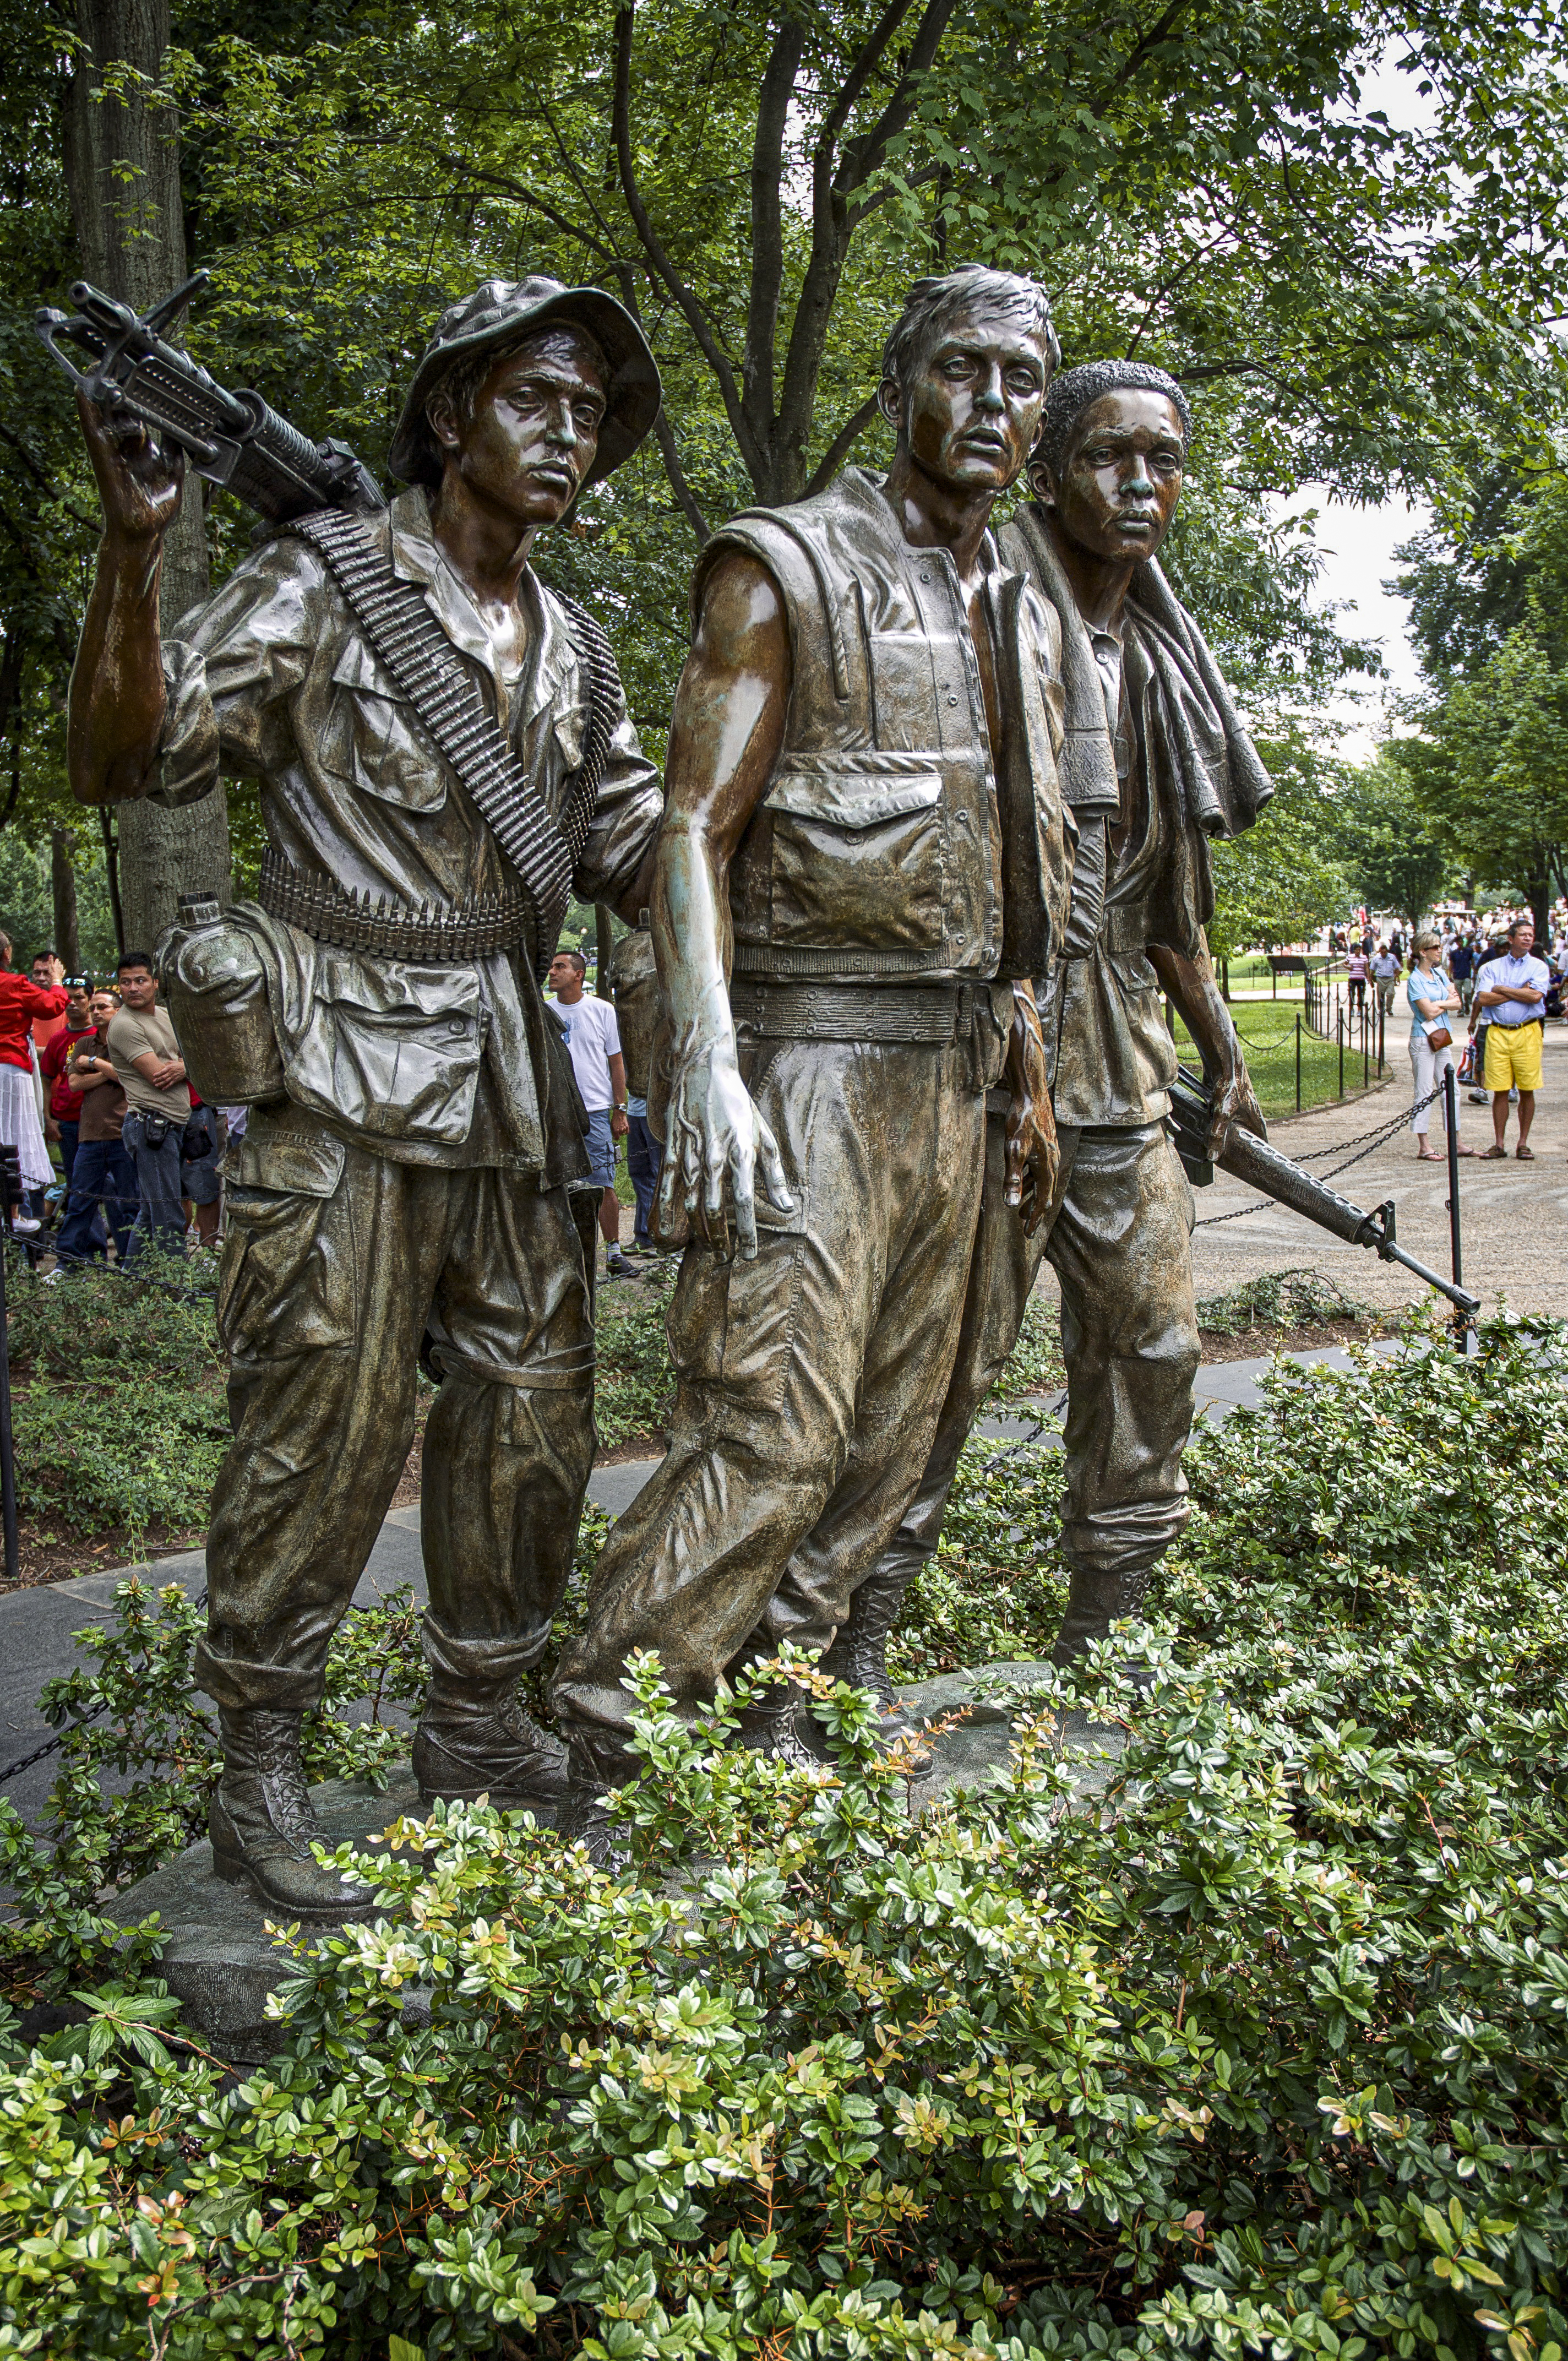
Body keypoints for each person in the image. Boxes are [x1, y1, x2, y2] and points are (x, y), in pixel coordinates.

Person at [68, 269, 663, 1912]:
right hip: (334, 1062)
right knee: (319, 1422)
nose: (568, 434)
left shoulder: (579, 644)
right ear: (450, 413)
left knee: (533, 1421)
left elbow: (632, 844)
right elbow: (132, 754)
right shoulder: (322, 581)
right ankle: (260, 1761)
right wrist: (136, 549)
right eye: (535, 398)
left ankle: (479, 1720)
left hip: (513, 1083)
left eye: (591, 413)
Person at [555, 263, 1069, 1831]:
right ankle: (613, 1741)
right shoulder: (785, 565)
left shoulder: (1022, 603)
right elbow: (692, 834)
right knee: (775, 1424)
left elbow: (1026, 870)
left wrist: (1030, 1058)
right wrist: (703, 1062)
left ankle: (785, 1713)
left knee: (907, 1432)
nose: (995, 405)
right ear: (903, 378)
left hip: (967, 1070)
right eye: (965, 369)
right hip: (813, 1059)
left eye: (1023, 380)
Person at [831, 355, 1273, 1710]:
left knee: (1149, 1341)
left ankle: (1111, 1639)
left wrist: (1215, 1041)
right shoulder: (982, 621)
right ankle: (849, 1638)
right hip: (982, 1057)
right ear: (1047, 467)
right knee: (938, 1373)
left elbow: (1160, 897)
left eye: (1162, 460)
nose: (1138, 484)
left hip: (1113, 1063)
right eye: (1106, 457)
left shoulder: (1152, 655)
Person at [547, 948, 631, 1279]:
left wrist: (619, 1109)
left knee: (602, 1183)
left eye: (560, 967)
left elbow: (616, 1062)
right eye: (552, 967)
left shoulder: (602, 1010)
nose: (552, 972)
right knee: (559, 1182)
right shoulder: (545, 1011)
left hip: (595, 1111)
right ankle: (566, 1256)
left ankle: (613, 1253)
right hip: (557, 1111)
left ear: (578, 975)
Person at [105, 951, 193, 1262]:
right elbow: (159, 1075)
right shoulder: (124, 1025)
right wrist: (187, 1067)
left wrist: (184, 1066)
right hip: (150, 1125)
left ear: (155, 983)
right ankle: (181, 1294)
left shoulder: (165, 1016)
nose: (133, 988)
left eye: (140, 980)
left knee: (152, 1210)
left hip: (174, 1123)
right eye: (125, 983)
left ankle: (132, 1286)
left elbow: (191, 1057)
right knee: (168, 1213)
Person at [55, 987, 138, 1267]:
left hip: (122, 1134)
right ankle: (67, 1263)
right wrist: (109, 1071)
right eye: (94, 1008)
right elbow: (74, 1084)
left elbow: (129, 1077)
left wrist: (94, 1064)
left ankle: (130, 1263)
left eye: (103, 1007)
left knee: (128, 1203)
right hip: (89, 1136)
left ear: (118, 1011)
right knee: (80, 1202)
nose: (96, 1012)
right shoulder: (83, 1044)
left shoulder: (127, 1042)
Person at [1474, 917, 1550, 1158]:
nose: (1528, 938)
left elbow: (1536, 997)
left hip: (1527, 1031)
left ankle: (1523, 1143)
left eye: (1531, 934)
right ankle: (1499, 1143)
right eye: (1523, 935)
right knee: (1500, 1090)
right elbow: (1483, 999)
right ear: (1511, 939)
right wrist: (1521, 990)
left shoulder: (1539, 966)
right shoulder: (1492, 967)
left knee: (1528, 1089)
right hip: (1498, 1032)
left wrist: (1502, 989)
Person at [1406, 931, 1473, 1162]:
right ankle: (1424, 1146)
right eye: (1434, 947)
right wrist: (1446, 1003)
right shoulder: (1415, 980)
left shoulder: (1440, 974)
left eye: (1439, 946)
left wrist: (1441, 1003)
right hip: (1423, 1039)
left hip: (1441, 1037)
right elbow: (1430, 1012)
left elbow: (1456, 1002)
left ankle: (1456, 1142)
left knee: (1451, 1088)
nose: (1439, 950)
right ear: (1422, 952)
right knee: (1424, 1090)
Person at [40, 978, 97, 1196]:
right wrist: (48, 1118)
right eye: (68, 998)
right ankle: (89, 1230)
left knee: (110, 1184)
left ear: (90, 1000)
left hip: (101, 1121)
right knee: (77, 1185)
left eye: (79, 997)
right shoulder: (58, 1039)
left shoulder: (103, 1035)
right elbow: (46, 1080)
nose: (72, 1003)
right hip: (67, 1122)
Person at [1371, 942, 1401, 1016]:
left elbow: (1397, 967)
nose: (1384, 954)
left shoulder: (1392, 957)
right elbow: (1372, 970)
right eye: (1382, 952)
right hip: (1380, 978)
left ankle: (1389, 1008)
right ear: (1380, 952)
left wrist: (1397, 977)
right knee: (1380, 996)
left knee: (1391, 994)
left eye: (1385, 952)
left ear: (1387, 951)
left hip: (1390, 978)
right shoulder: (1376, 958)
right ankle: (1381, 1009)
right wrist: (1371, 980)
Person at [1346, 942, 1369, 1011]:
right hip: (1352, 978)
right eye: (1357, 950)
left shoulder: (1364, 957)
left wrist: (1368, 977)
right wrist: (1349, 967)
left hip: (1361, 978)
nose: (1358, 951)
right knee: (1352, 993)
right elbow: (1345, 964)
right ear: (1354, 950)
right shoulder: (1350, 957)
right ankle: (1352, 1008)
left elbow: (1367, 967)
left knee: (1361, 994)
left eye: (1360, 950)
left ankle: (1359, 1008)